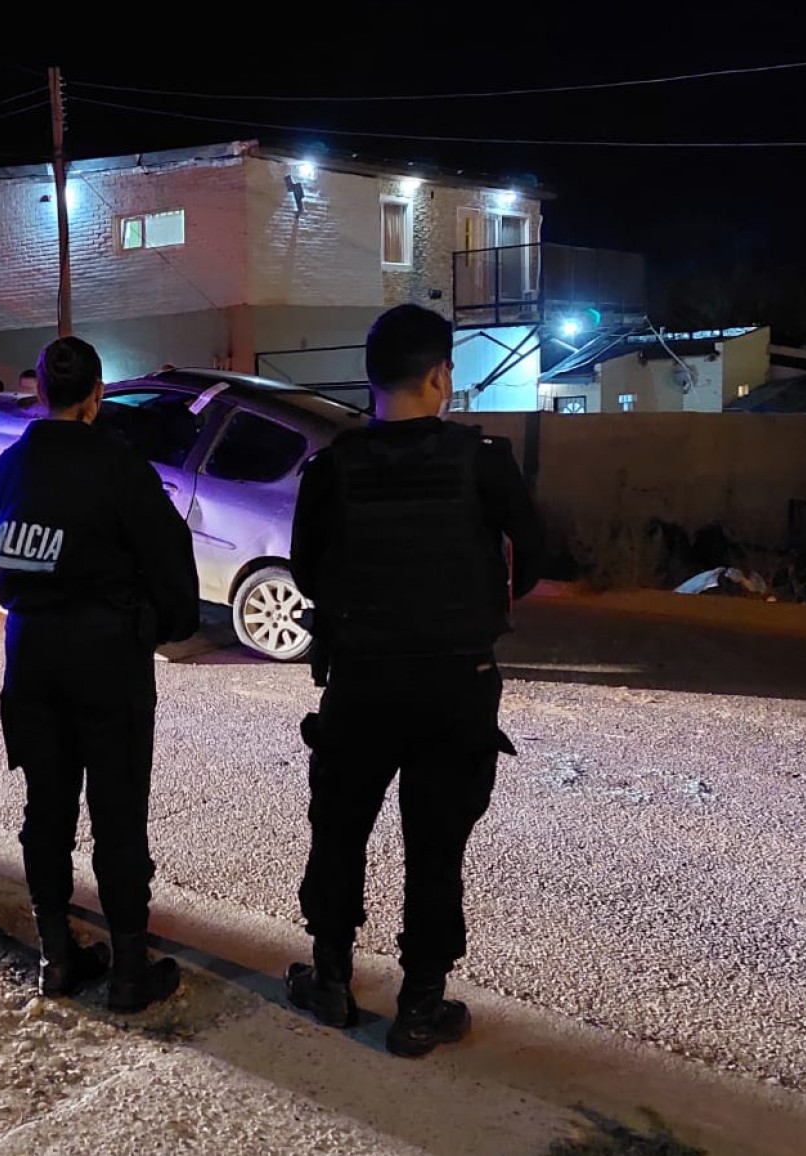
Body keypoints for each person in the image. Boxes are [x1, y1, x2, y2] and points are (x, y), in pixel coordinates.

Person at [285, 304, 542, 1057]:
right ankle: (420, 1008)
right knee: (436, 846)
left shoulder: (333, 467)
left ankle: (331, 980)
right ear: (439, 376)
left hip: (361, 681)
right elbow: (535, 556)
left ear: (370, 380)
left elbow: (307, 568)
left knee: (339, 832)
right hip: (454, 685)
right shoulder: (484, 460)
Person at [0, 335, 200, 1012]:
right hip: (108, 660)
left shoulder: (9, 467)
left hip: (33, 656)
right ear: (97, 396)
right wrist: (156, 626)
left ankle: (57, 957)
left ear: (40, 392)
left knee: (46, 810)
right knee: (118, 814)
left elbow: (1, 572)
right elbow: (171, 566)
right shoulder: (122, 467)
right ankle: (129, 968)